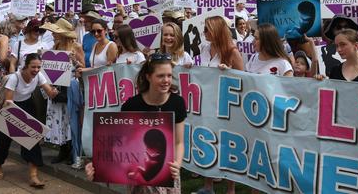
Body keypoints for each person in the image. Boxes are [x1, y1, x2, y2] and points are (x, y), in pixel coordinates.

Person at [85, 53, 186, 193]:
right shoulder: (132, 105)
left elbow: (179, 142)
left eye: (169, 75)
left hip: (168, 173)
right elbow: (117, 144)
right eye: (160, 76)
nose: (166, 80)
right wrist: (97, 166)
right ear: (148, 77)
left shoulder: (177, 103)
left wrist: (178, 164)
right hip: (139, 183)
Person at [0, 53, 59, 187]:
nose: (36, 70)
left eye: (38, 67)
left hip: (28, 105)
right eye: (33, 67)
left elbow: (50, 92)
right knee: (3, 140)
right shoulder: (14, 78)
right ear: (25, 66)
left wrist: (54, 91)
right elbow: (9, 101)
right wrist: (17, 121)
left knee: (32, 139)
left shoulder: (39, 75)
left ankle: (33, 176)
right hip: (11, 107)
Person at [199, 15, 242, 194]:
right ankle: (208, 186)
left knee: (226, 145)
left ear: (216, 30)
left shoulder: (232, 51)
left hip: (226, 106)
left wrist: (229, 72)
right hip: (206, 103)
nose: (204, 33)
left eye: (207, 29)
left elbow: (244, 78)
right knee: (206, 142)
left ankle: (230, 189)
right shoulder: (205, 47)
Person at [41, 18, 85, 167]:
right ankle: (62, 149)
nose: (52, 34)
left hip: (70, 87)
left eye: (55, 32)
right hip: (57, 86)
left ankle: (72, 150)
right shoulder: (56, 45)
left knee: (70, 118)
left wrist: (74, 61)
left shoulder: (76, 47)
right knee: (58, 118)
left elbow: (82, 67)